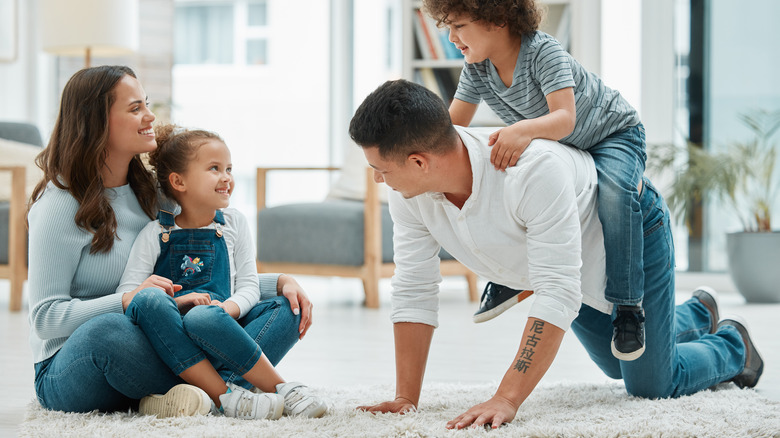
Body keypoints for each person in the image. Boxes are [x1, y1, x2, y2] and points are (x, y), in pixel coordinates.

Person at [348, 79, 764, 429]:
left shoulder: (531, 171)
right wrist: (406, 397)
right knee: (615, 365)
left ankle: (733, 344)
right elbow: (415, 288)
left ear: (419, 161)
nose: (378, 179)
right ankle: (694, 315)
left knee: (650, 383)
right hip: (567, 262)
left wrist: (507, 398)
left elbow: (556, 292)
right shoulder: (410, 193)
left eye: (380, 169)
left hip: (630, 233)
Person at [27, 65, 311, 417]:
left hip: (159, 341)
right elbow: (45, 318)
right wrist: (126, 300)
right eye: (135, 108)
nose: (150, 116)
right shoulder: (58, 204)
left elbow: (195, 268)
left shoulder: (152, 194)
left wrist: (277, 284)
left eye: (146, 103)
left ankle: (193, 396)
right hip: (78, 362)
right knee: (109, 331)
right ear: (96, 121)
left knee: (283, 309)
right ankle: (226, 390)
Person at [423, 0, 648, 361]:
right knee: (496, 176)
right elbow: (453, 129)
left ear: (497, 19)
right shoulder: (477, 67)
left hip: (613, 135)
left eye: (459, 25)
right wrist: (406, 154)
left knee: (615, 196)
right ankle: (514, 276)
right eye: (448, 27)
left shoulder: (543, 51)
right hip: (560, 149)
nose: (451, 38)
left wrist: (520, 131)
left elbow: (564, 119)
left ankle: (628, 307)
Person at [115, 123, 328, 419]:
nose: (227, 177)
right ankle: (276, 389)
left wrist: (226, 310)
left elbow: (249, 286)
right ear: (179, 181)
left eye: (229, 168)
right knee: (198, 315)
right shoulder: (155, 233)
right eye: (214, 168)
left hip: (223, 332)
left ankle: (213, 393)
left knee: (289, 307)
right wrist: (177, 304)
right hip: (174, 343)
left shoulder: (234, 224)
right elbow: (128, 296)